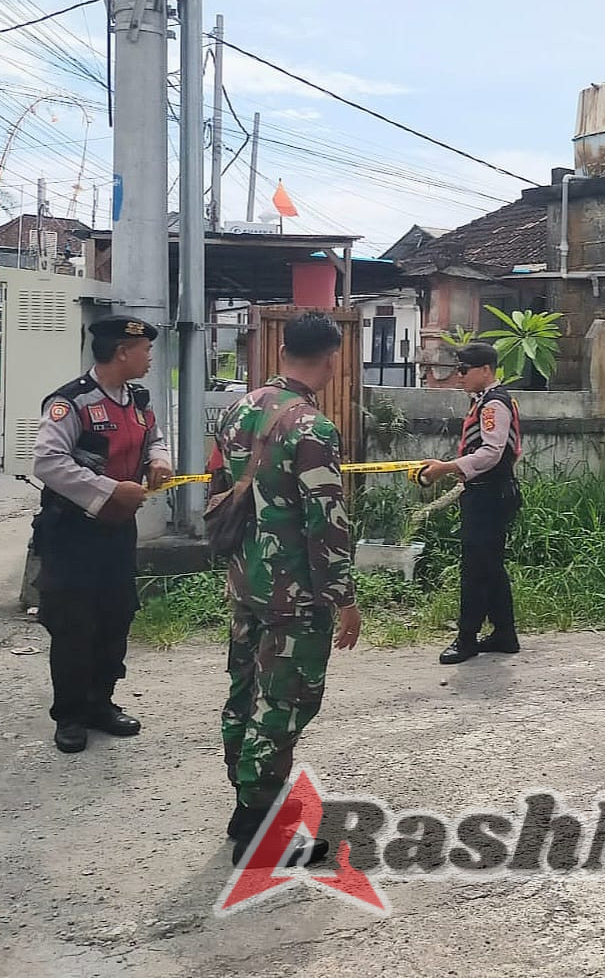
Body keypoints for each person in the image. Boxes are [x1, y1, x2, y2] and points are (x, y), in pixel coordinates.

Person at [210, 311, 362, 866]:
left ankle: (244, 806)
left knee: (244, 689)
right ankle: (261, 832)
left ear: (281, 352)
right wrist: (343, 597)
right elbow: (326, 522)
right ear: (331, 358)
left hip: (246, 580)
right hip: (295, 592)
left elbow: (220, 489)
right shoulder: (312, 428)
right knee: (285, 700)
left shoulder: (238, 410)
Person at [31, 314, 173, 754]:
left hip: (116, 532)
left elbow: (154, 436)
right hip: (73, 534)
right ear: (121, 352)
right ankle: (70, 714)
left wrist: (159, 459)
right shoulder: (70, 403)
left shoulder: (137, 398)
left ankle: (101, 703)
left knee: (116, 616)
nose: (150, 356)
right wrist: (111, 489)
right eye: (144, 350)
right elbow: (48, 462)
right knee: (74, 624)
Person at [419, 342, 524, 666]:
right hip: (488, 492)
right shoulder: (486, 402)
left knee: (475, 570)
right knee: (490, 567)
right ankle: (505, 634)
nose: (459, 376)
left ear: (485, 371)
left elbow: (492, 453)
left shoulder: (493, 405)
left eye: (464, 370)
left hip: (489, 495)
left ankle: (466, 639)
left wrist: (446, 468)